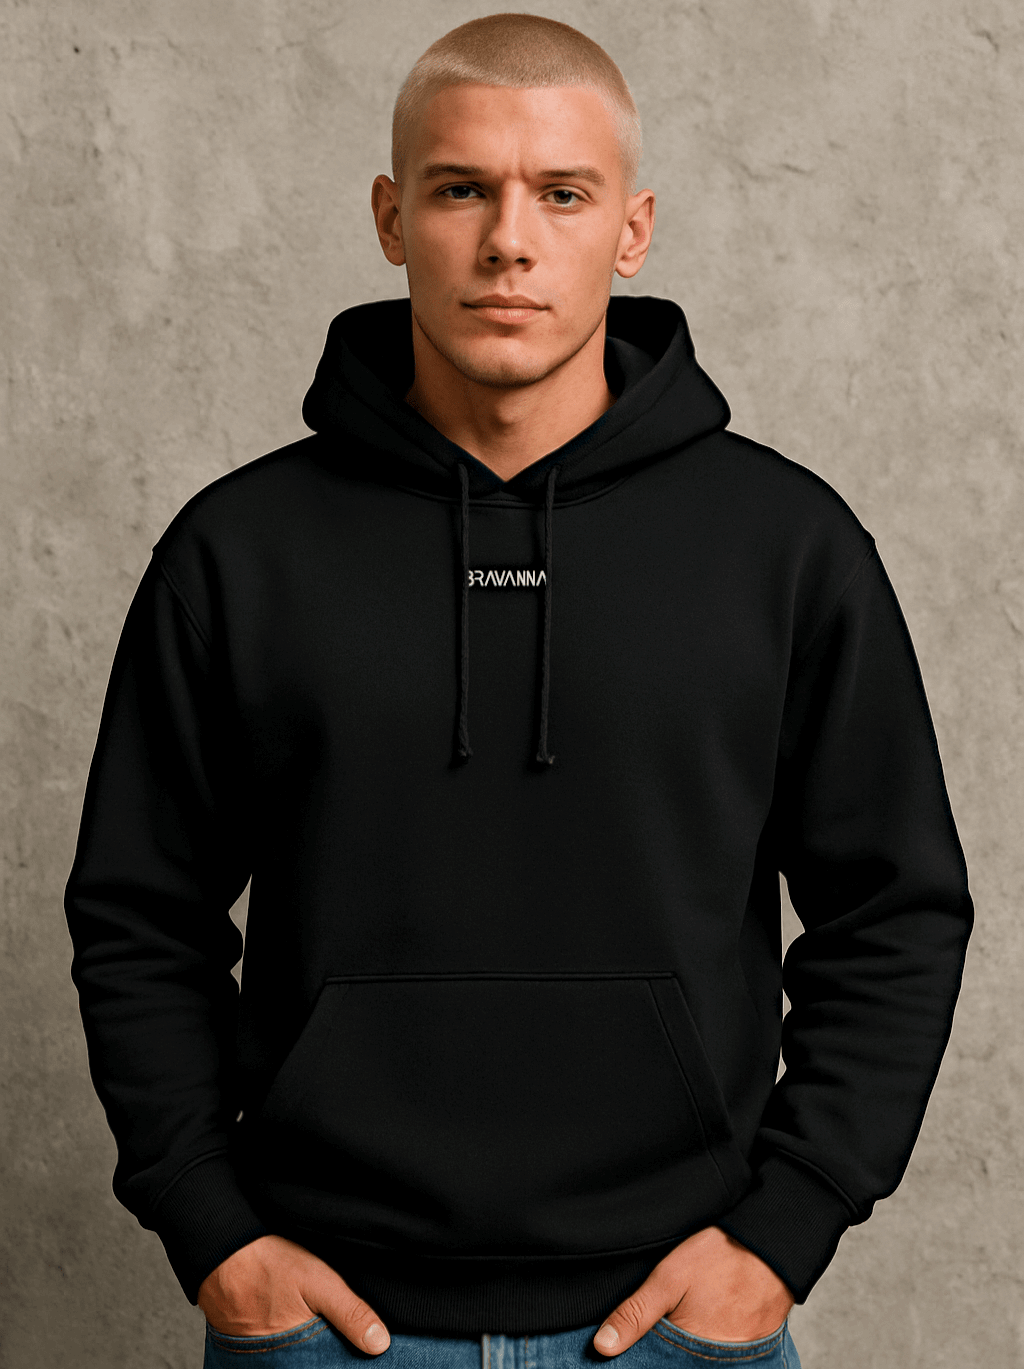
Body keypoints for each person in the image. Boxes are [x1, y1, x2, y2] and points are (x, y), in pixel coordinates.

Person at [64, 13, 974, 1369]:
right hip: (325, 1326)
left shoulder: (784, 548)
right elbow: (139, 912)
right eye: (459, 190)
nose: (508, 241)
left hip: (678, 1326)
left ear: (632, 230)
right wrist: (211, 1228)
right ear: (391, 218)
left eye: (562, 193)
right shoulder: (239, 553)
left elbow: (896, 909)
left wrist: (787, 1229)